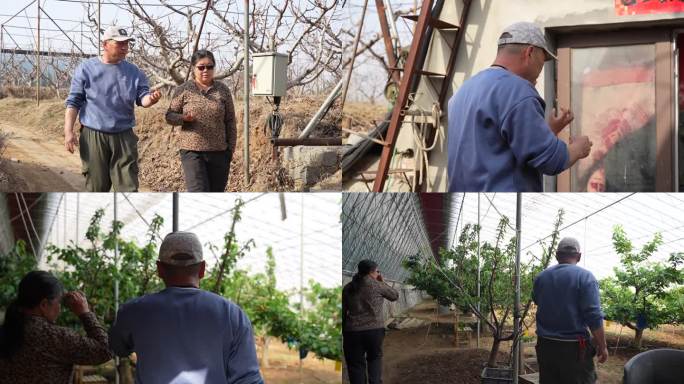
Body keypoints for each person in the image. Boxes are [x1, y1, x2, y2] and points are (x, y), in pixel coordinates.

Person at [447, 21, 593, 192]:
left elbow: (495, 147)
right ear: (529, 53)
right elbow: (550, 160)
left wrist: (549, 130)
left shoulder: (462, 92)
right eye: (542, 60)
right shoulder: (518, 90)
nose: (541, 68)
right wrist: (578, 148)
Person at [109, 231, 263, 384]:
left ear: (159, 269)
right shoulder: (232, 315)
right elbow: (248, 379)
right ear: (202, 269)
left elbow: (118, 348)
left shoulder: (133, 311)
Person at [65, 25, 162, 192]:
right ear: (105, 45)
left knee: (128, 187)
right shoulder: (86, 69)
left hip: (124, 136)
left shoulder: (134, 72)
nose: (125, 48)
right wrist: (68, 131)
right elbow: (74, 102)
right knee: (97, 187)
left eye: (127, 43)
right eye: (119, 43)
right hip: (94, 135)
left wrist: (151, 99)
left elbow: (143, 98)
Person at [0, 271, 112, 384]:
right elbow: (105, 350)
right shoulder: (52, 337)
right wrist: (85, 313)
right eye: (59, 302)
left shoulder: (7, 330)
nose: (60, 308)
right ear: (44, 305)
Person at [532, 237, 608, 384]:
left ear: (556, 255)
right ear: (579, 256)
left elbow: (537, 300)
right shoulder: (585, 277)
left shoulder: (541, 278)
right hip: (574, 350)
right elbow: (593, 316)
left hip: (545, 347)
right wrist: (602, 346)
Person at [165, 50, 237, 192]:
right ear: (193, 68)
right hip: (192, 152)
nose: (206, 70)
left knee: (215, 197)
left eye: (210, 67)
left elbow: (230, 121)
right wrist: (183, 118)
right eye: (201, 67)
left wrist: (230, 149)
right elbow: (169, 116)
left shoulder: (223, 90)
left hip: (219, 153)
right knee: (198, 193)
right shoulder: (184, 90)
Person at [342, 259, 399, 384]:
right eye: (377, 271)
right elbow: (395, 296)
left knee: (355, 366)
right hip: (374, 332)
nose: (378, 274)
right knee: (374, 360)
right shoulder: (377, 285)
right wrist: (382, 282)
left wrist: (344, 331)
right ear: (371, 272)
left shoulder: (348, 287)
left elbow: (342, 312)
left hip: (352, 332)